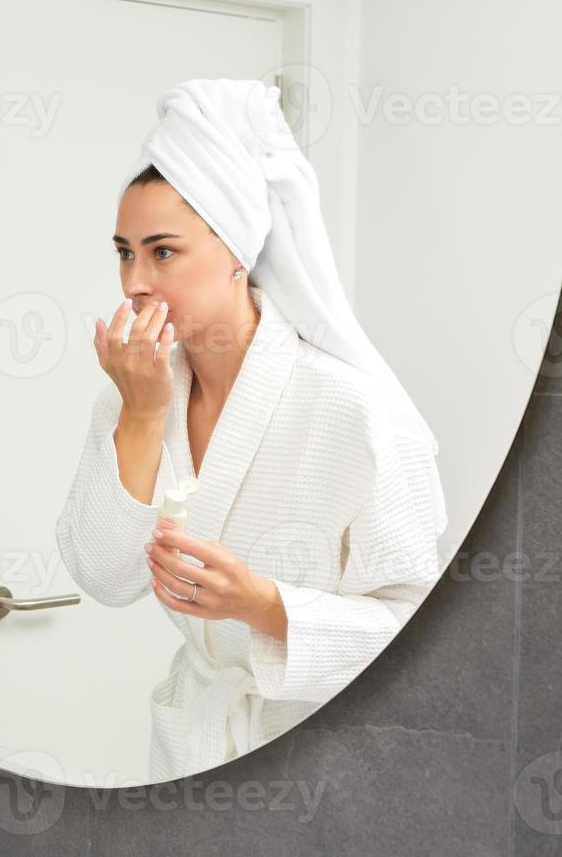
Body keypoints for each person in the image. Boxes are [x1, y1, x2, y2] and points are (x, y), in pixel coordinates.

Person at [55, 79, 446, 784]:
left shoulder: (355, 411)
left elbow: (425, 641)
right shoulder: (139, 392)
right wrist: (141, 416)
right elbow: (105, 578)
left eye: (162, 252)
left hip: (325, 761)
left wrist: (262, 605)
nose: (134, 282)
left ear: (236, 248)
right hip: (192, 752)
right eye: (124, 252)